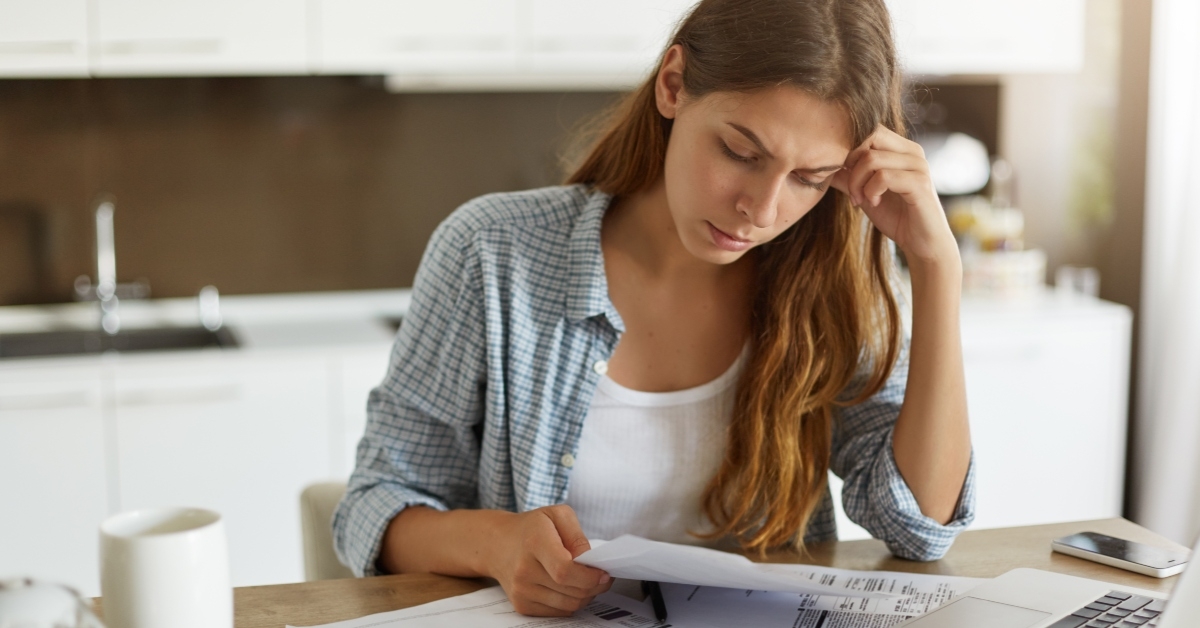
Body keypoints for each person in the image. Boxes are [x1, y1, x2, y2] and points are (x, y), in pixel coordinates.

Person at [333, 0, 974, 617]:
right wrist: (499, 544)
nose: (763, 208)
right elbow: (375, 505)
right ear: (673, 85)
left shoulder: (832, 281)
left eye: (809, 178)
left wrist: (937, 267)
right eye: (741, 153)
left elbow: (918, 527)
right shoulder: (494, 252)